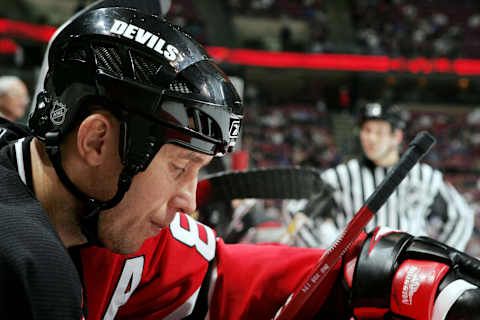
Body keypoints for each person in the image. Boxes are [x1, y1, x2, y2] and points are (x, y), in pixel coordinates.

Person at [2, 1, 480, 319]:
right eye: (178, 167)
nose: (188, 202)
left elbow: (221, 275)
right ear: (97, 141)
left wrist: (370, 273)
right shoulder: (26, 268)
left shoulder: (108, 211)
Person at [287, 101, 474, 251]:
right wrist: (327, 253)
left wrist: (438, 259)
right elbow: (295, 211)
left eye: (379, 132)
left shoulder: (424, 176)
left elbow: (461, 216)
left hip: (406, 272)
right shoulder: (340, 176)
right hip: (353, 273)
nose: (371, 138)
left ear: (397, 137)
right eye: (367, 131)